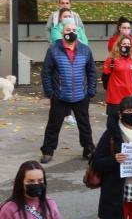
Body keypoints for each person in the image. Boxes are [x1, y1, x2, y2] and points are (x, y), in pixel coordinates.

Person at [40, 21, 96, 164]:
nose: (70, 32)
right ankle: (47, 151)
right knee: (53, 124)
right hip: (60, 95)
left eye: (73, 29)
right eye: (67, 29)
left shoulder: (85, 49)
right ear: (62, 32)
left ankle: (88, 149)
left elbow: (91, 71)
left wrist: (90, 91)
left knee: (84, 125)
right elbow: (46, 72)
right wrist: (50, 92)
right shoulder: (53, 50)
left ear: (77, 32)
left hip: (81, 94)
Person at [103, 35, 132, 118]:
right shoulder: (111, 59)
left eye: (128, 44)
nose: (126, 46)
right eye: (124, 44)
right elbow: (105, 77)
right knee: (113, 121)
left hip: (130, 94)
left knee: (128, 120)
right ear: (119, 45)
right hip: (115, 96)